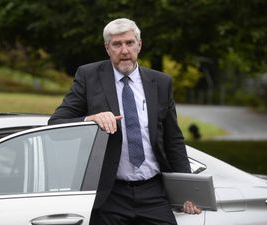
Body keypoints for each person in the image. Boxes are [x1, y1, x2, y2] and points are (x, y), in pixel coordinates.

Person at [48, 18, 201, 225]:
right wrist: (90, 120)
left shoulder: (161, 83)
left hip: (153, 192)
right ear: (107, 48)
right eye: (117, 44)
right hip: (109, 194)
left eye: (129, 43)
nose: (124, 50)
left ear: (139, 44)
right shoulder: (89, 77)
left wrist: (187, 190)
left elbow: (173, 140)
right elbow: (56, 124)